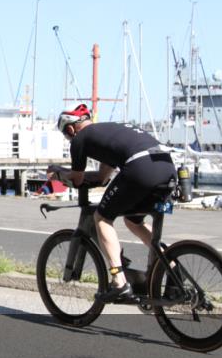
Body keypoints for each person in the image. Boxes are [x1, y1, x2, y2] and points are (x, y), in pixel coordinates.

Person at [46, 104, 177, 303]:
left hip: (140, 168)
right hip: (166, 168)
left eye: (67, 135)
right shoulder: (108, 133)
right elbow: (101, 177)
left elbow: (78, 180)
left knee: (102, 218)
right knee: (133, 221)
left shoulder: (80, 139)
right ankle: (173, 267)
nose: (69, 139)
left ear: (71, 129)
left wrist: (57, 173)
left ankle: (119, 282)